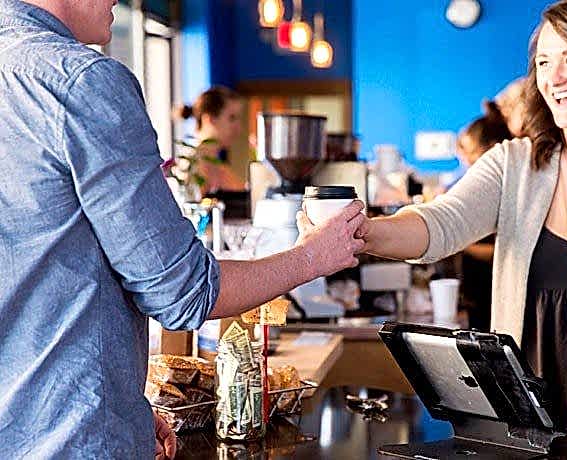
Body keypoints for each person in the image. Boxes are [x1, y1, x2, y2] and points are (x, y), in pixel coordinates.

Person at [0, 0, 365, 458]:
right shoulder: (80, 82)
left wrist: (122, 405)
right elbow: (184, 291)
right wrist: (314, 255)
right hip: (72, 440)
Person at [302, 0, 567, 430]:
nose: (553, 77)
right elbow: (440, 223)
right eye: (543, 62)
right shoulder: (514, 168)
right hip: (529, 433)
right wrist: (361, 232)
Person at [455, 101, 513, 331]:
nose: (468, 160)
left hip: (495, 302)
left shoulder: (507, 192)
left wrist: (461, 245)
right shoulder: (485, 190)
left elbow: (501, 252)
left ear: (492, 148)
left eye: (472, 152)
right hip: (477, 299)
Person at [174, 86, 247, 194]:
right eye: (232, 118)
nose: (239, 128)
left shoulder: (215, 163)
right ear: (210, 119)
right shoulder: (192, 164)